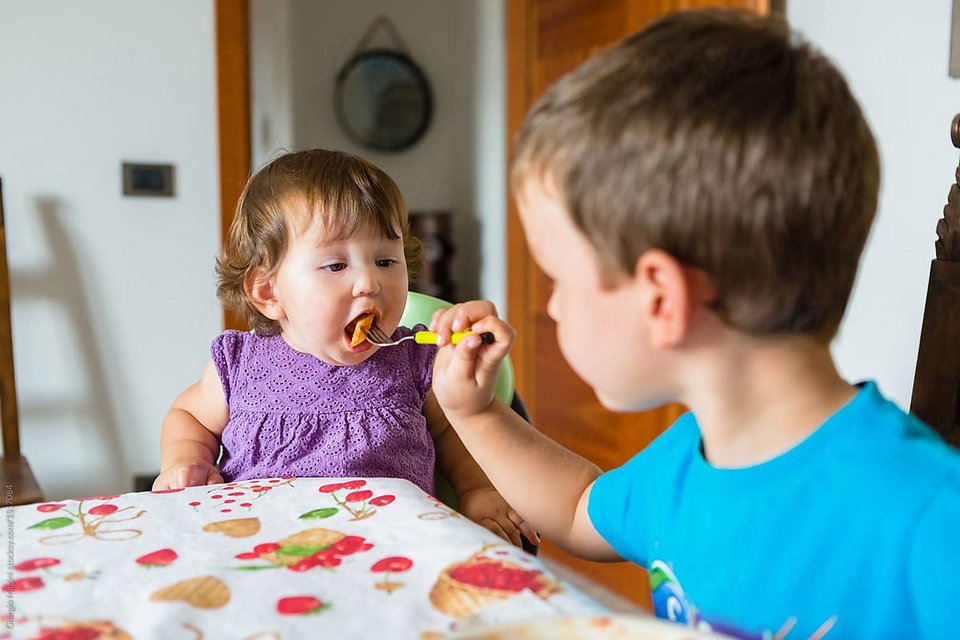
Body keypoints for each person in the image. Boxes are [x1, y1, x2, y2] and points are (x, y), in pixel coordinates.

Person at [429, 9, 959, 639]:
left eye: (558, 279)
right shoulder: (686, 460)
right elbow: (576, 509)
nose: (552, 307)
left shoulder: (932, 520)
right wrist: (476, 413)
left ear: (661, 298)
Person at [153, 149, 536, 549]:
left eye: (387, 260)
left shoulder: (417, 363)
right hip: (256, 548)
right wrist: (186, 461)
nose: (369, 283)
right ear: (268, 292)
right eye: (336, 266)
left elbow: (456, 433)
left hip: (389, 551)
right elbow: (187, 416)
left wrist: (476, 490)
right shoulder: (240, 365)